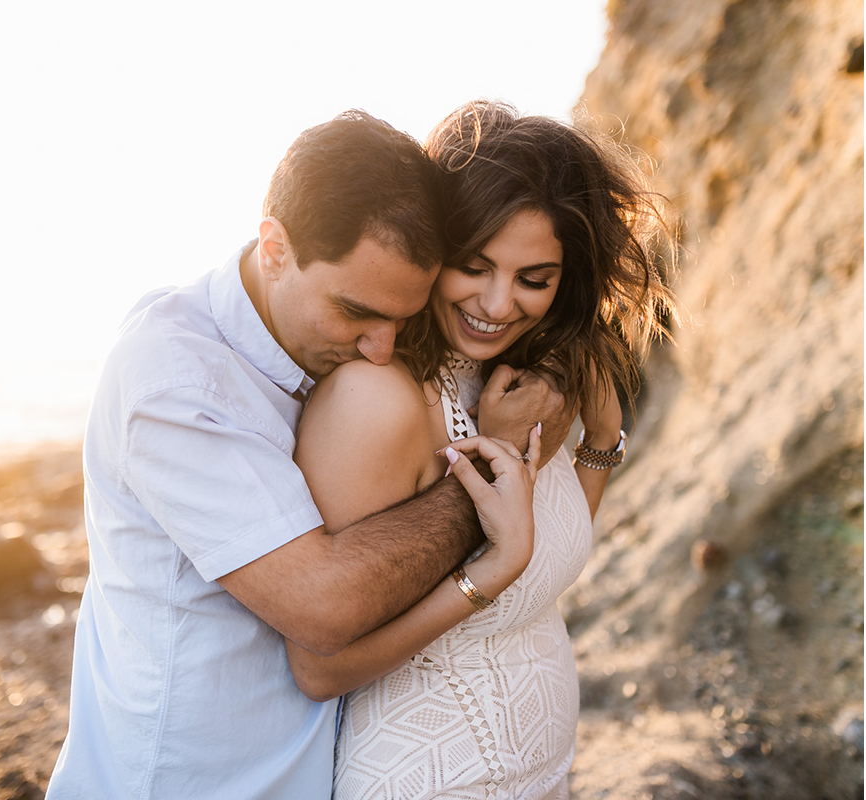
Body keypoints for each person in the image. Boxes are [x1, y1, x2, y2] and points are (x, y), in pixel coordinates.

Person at [50, 110, 555, 798]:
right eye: (357, 313)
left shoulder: (325, 345)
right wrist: (486, 480)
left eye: (401, 320)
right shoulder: (175, 381)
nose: (381, 347)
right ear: (274, 248)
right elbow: (323, 610)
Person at [281, 100, 674, 798]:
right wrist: (483, 569)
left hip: (540, 773)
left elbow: (542, 563)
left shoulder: (518, 385)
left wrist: (601, 441)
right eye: (474, 266)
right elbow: (321, 667)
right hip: (435, 779)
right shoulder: (377, 403)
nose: (497, 304)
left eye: (534, 279)